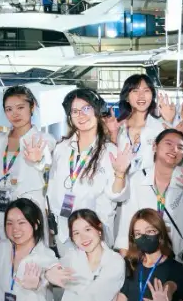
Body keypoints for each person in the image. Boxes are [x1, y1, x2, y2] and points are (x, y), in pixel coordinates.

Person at [46, 88, 131, 250]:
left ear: (97, 111)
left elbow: (117, 195)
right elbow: (52, 188)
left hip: (95, 232)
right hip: (63, 232)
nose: (81, 115)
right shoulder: (61, 148)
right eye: (75, 111)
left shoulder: (110, 151)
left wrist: (120, 174)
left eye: (86, 108)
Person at [118, 129, 183, 257]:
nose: (174, 149)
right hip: (142, 252)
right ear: (155, 147)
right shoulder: (137, 178)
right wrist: (125, 253)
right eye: (168, 143)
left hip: (176, 252)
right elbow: (127, 218)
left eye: (180, 147)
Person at [0, 86, 53, 247]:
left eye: (20, 107)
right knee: (4, 257)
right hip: (2, 213)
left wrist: (38, 159)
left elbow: (45, 161)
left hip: (31, 212)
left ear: (32, 107)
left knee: (33, 257)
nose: (15, 113)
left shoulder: (44, 139)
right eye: (9, 109)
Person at [115, 73, 167, 173]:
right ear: (126, 97)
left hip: (151, 182)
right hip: (121, 181)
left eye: (146, 90)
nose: (141, 95)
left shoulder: (161, 127)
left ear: (152, 96)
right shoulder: (117, 127)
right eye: (135, 91)